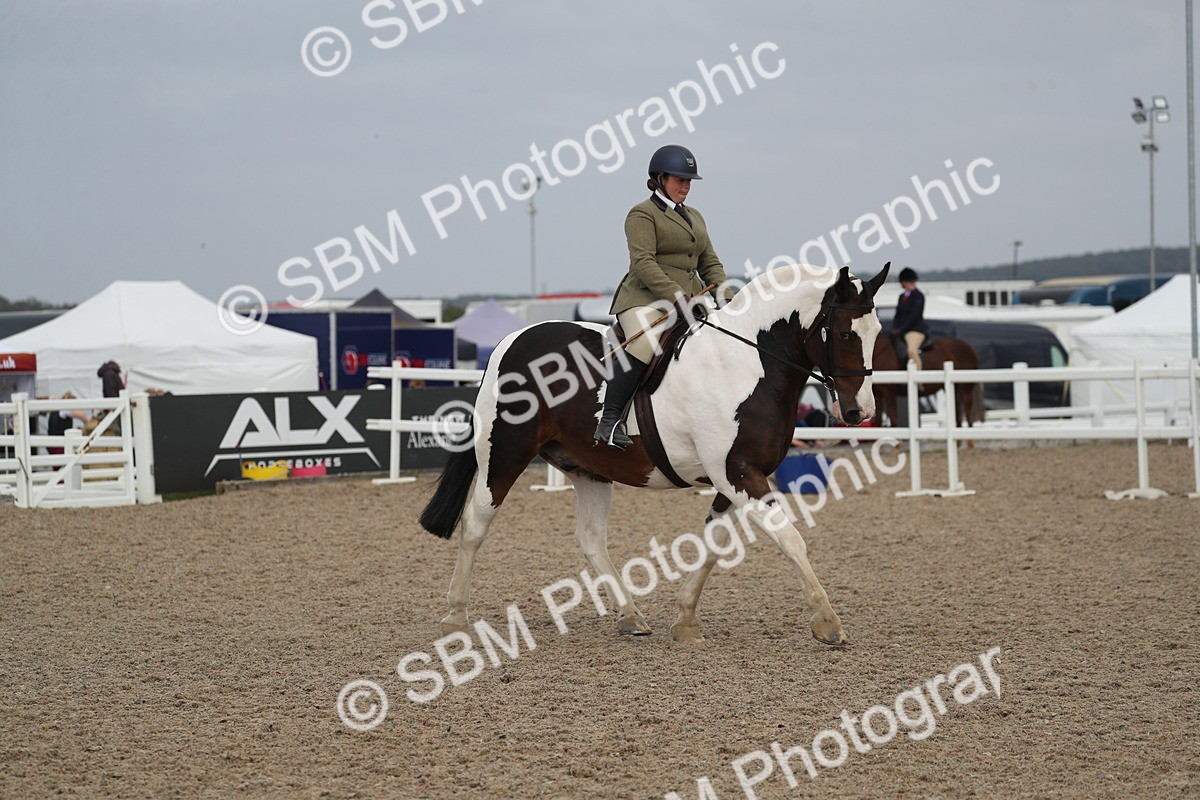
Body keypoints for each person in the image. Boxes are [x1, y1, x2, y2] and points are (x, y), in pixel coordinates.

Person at [596, 144, 732, 449]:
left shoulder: (694, 216)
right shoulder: (641, 214)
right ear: (659, 178)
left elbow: (709, 261)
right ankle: (610, 419)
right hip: (645, 299)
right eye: (678, 179)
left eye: (688, 181)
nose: (685, 186)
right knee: (646, 343)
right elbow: (644, 263)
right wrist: (676, 296)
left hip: (691, 300)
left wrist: (725, 295)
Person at [892, 267, 929, 369]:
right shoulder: (902, 296)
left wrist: (901, 329)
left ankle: (918, 381)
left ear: (905, 282)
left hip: (915, 330)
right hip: (902, 330)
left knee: (911, 351)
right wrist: (894, 327)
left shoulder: (918, 296)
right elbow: (897, 314)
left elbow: (915, 316)